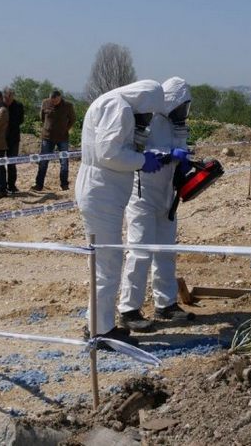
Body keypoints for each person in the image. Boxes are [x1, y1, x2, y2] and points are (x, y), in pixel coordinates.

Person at [76, 80, 165, 347]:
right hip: (102, 193)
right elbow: (109, 154)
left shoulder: (112, 102)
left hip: (102, 191)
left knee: (105, 262)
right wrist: (142, 161)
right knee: (107, 263)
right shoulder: (120, 108)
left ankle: (98, 323)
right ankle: (100, 332)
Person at [118, 77, 194, 330]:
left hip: (167, 195)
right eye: (181, 104)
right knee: (139, 252)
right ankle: (129, 310)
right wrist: (167, 155)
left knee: (166, 251)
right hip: (142, 195)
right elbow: (136, 152)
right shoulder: (147, 117)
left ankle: (166, 304)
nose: (183, 111)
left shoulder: (176, 124)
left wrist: (187, 163)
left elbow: (180, 149)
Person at [33, 90, 75, 191]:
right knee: (43, 161)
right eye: (52, 100)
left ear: (60, 98)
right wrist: (47, 127)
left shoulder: (68, 106)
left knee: (64, 162)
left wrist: (65, 129)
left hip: (63, 138)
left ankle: (64, 184)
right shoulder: (45, 103)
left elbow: (72, 119)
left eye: (56, 101)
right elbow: (42, 117)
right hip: (47, 137)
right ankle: (39, 185)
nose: (54, 102)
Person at [3, 87, 24, 193]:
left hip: (14, 138)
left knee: (12, 163)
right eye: (6, 97)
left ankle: (11, 185)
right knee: (0, 163)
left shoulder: (19, 106)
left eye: (10, 97)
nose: (8, 99)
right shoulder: (0, 106)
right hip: (0, 139)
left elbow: (21, 120)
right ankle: (1, 186)